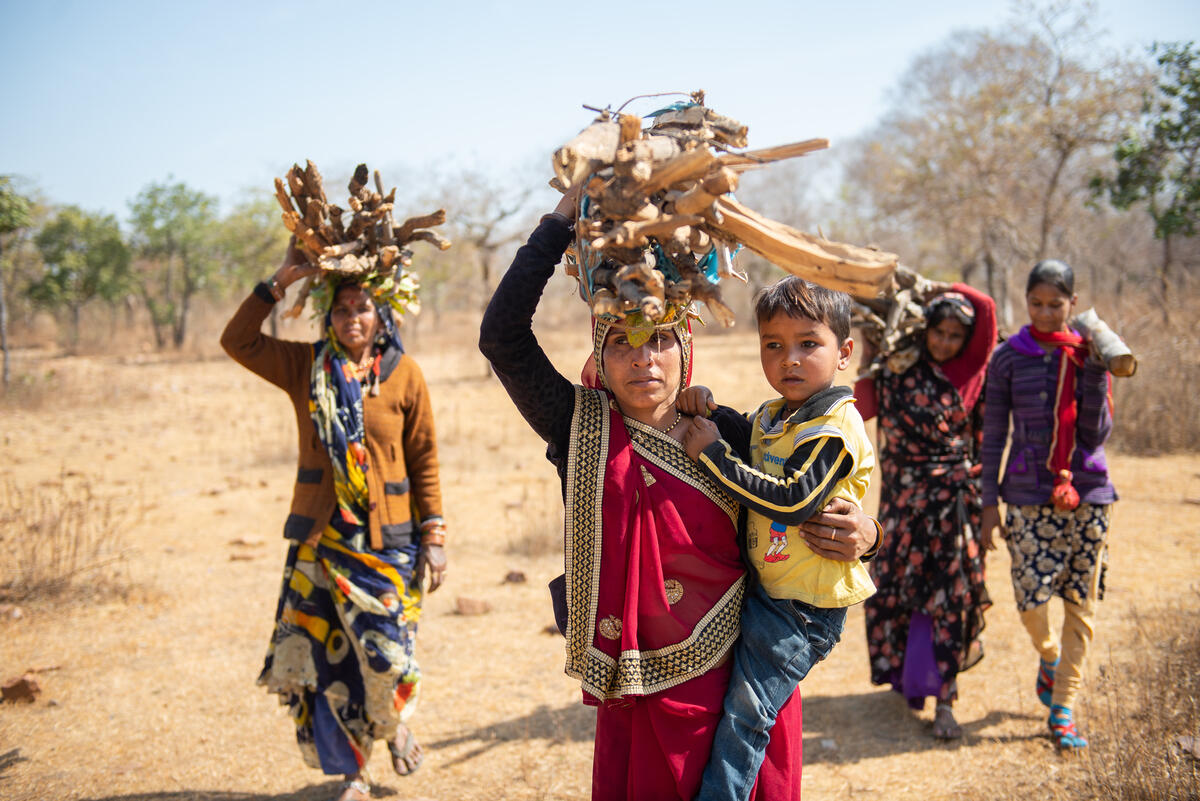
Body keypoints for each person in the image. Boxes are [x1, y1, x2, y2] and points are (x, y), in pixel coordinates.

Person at [479, 190, 880, 801]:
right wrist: (559, 224)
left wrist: (869, 536)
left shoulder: (732, 433)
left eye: (661, 340)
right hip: (635, 690)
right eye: (622, 343)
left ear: (686, 347)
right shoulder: (580, 427)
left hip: (742, 681)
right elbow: (502, 336)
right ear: (600, 353)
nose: (644, 361)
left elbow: (809, 501)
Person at [221, 238, 448, 801]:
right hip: (321, 540)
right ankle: (352, 773)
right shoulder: (306, 368)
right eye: (342, 309)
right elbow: (237, 341)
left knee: (387, 658)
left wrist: (435, 535)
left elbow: (424, 458)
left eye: (362, 308)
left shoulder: (405, 375)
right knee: (328, 662)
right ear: (331, 316)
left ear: (382, 313)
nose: (352, 319)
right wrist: (280, 281)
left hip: (389, 541)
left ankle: (393, 726)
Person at [676, 276, 878, 801]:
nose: (790, 359)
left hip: (804, 607)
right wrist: (709, 410)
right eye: (774, 345)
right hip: (771, 588)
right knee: (734, 700)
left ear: (844, 353)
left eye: (808, 344)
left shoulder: (834, 426)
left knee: (748, 712)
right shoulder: (777, 414)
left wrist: (714, 456)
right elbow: (749, 440)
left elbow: (793, 498)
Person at [980, 259, 1117, 750]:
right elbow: (994, 434)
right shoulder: (1008, 358)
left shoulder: (1090, 353)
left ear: (1072, 305)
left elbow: (1096, 433)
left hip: (1090, 494)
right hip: (1026, 495)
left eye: (1054, 304)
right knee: (1032, 600)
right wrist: (988, 503)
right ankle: (1049, 655)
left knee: (1081, 603)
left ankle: (1063, 708)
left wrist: (1097, 370)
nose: (1044, 312)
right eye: (1036, 303)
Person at [854, 283, 997, 739]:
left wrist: (941, 288)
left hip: (953, 508)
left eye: (956, 335)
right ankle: (910, 680)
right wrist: (870, 358)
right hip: (902, 506)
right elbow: (864, 407)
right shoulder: (897, 372)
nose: (946, 343)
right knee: (898, 594)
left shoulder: (967, 374)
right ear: (924, 329)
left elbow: (988, 310)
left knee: (951, 600)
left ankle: (946, 702)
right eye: (939, 332)